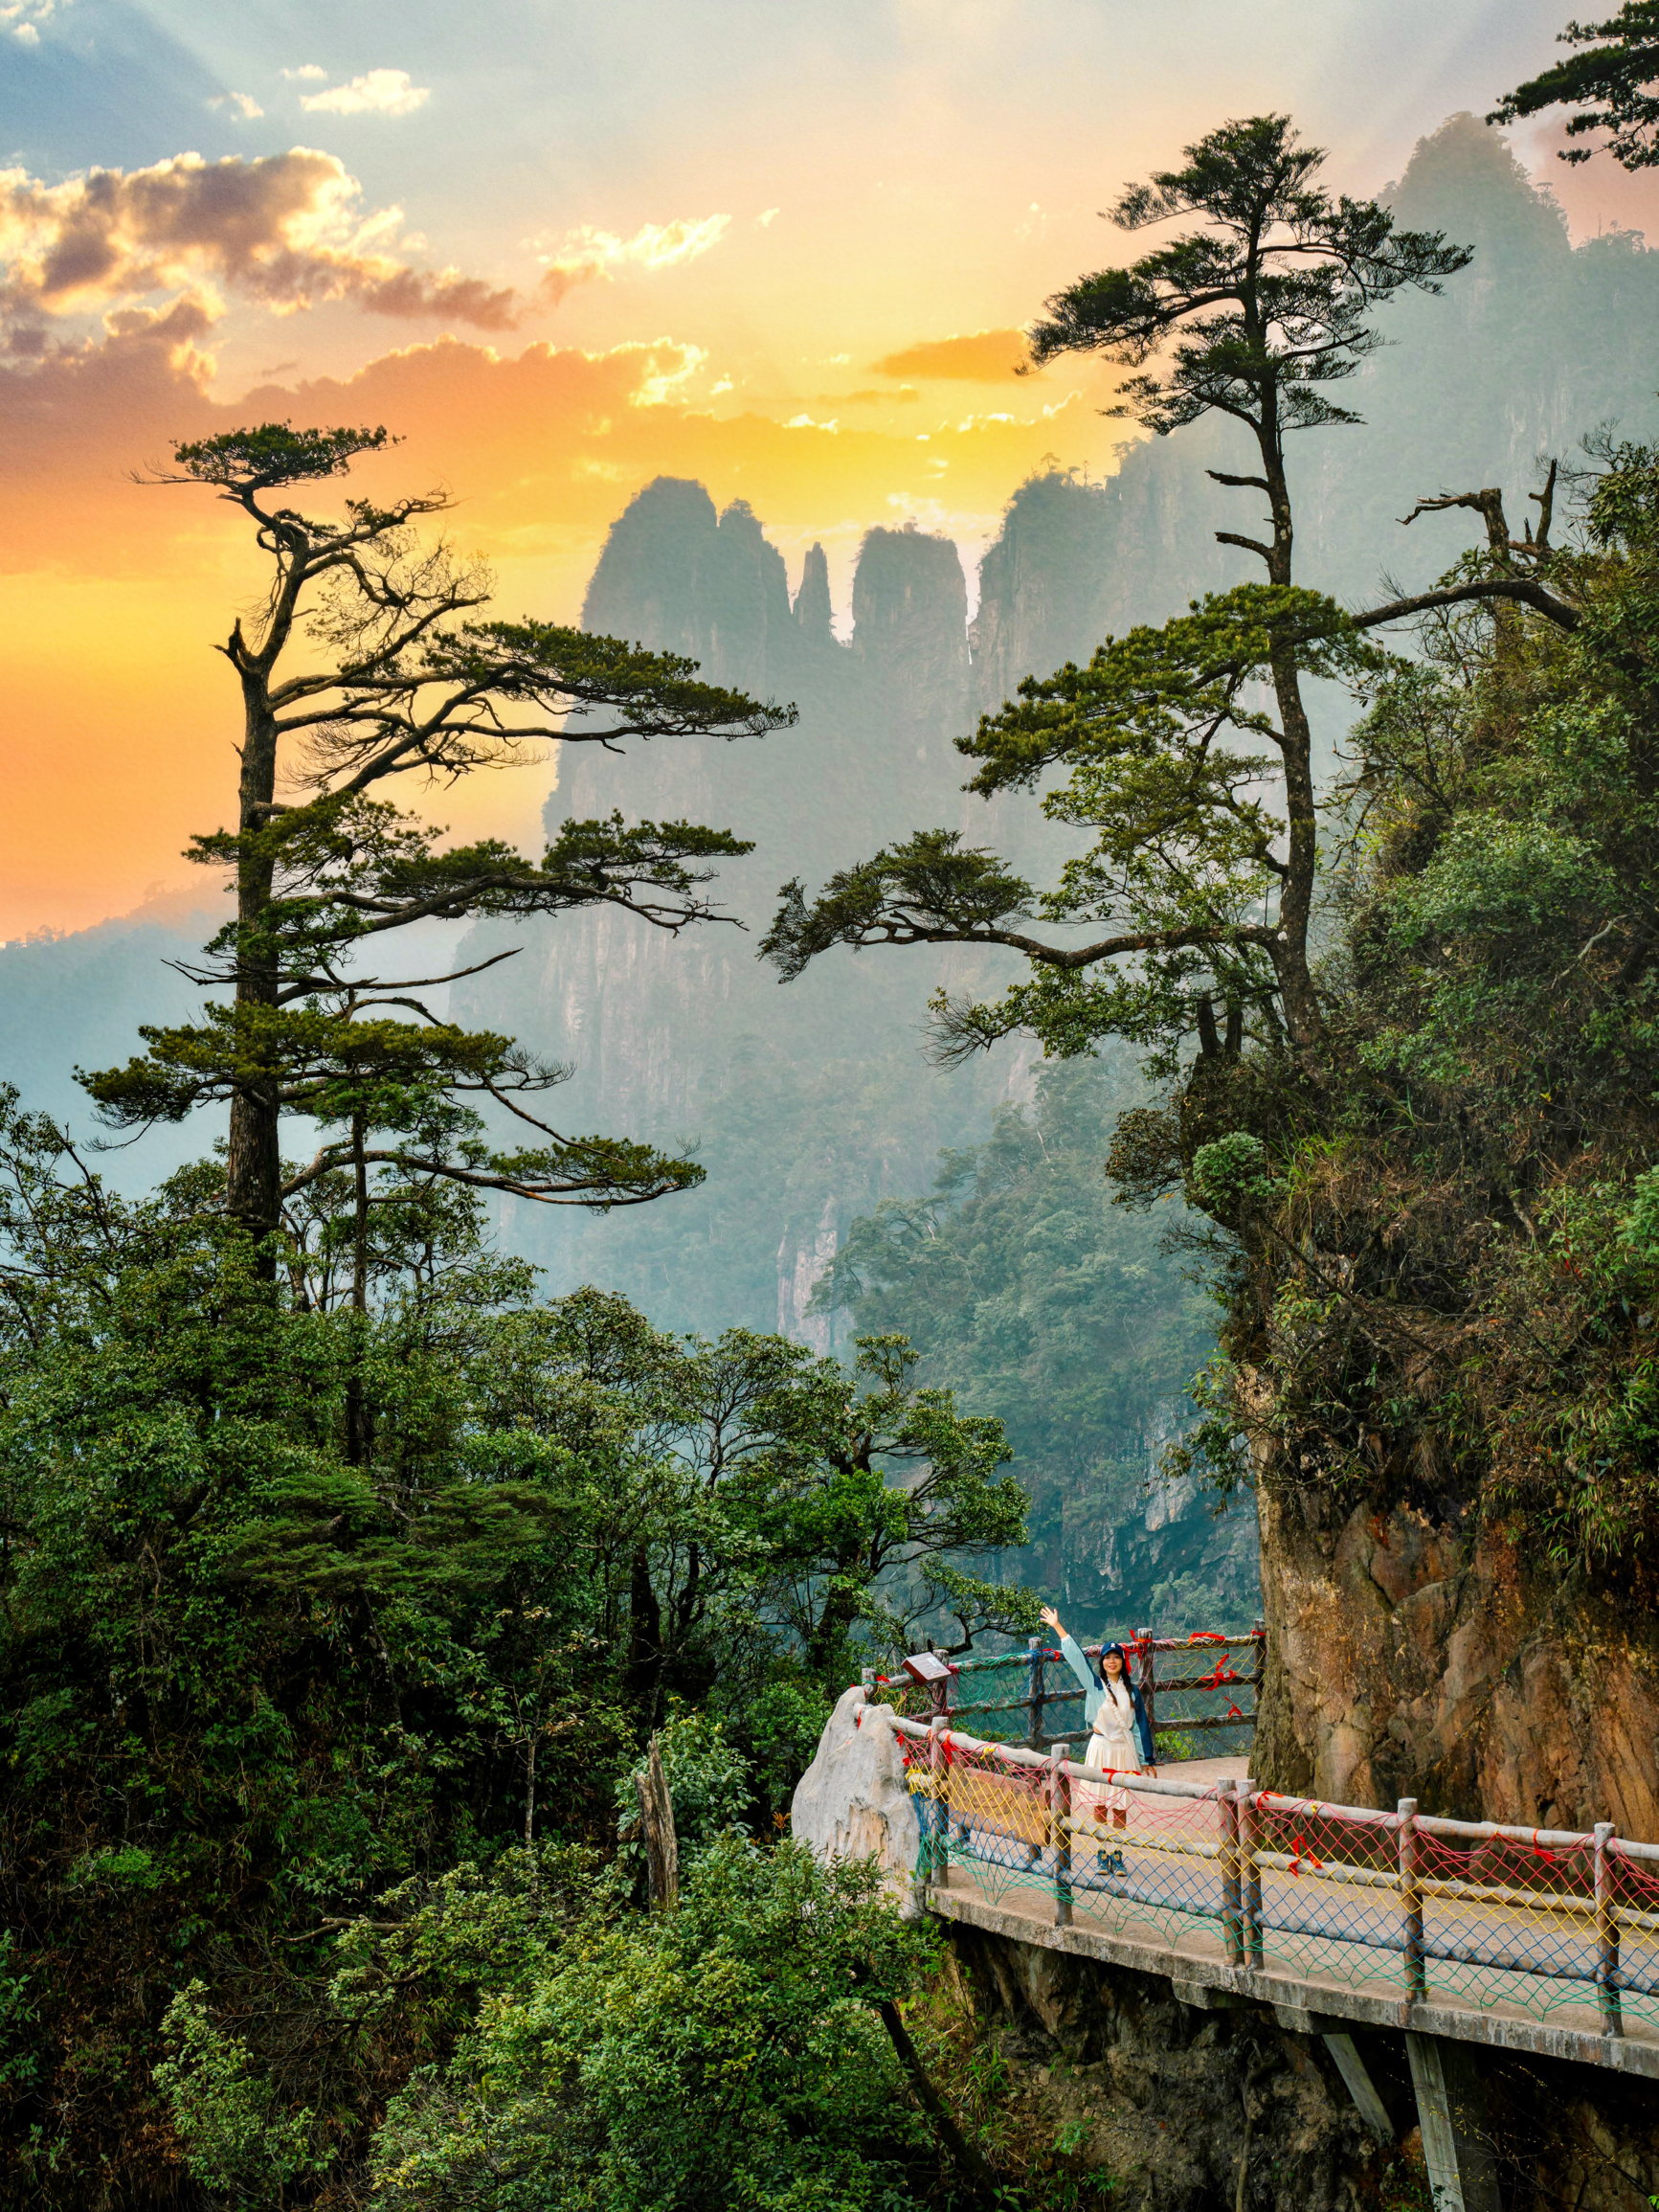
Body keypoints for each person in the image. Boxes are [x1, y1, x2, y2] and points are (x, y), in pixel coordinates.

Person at [1039, 1605, 1155, 1875]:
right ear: (1102, 1662)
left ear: (1123, 1662)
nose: (1111, 1661)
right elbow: (1077, 1659)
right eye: (1107, 1657)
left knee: (1120, 1805)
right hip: (1100, 1749)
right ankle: (1103, 1854)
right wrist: (1058, 1626)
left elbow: (1139, 1728)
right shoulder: (1095, 1686)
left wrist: (1147, 1759)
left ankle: (1118, 1853)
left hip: (1123, 1752)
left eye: (1116, 1657)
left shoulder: (1132, 1692)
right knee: (1101, 1804)